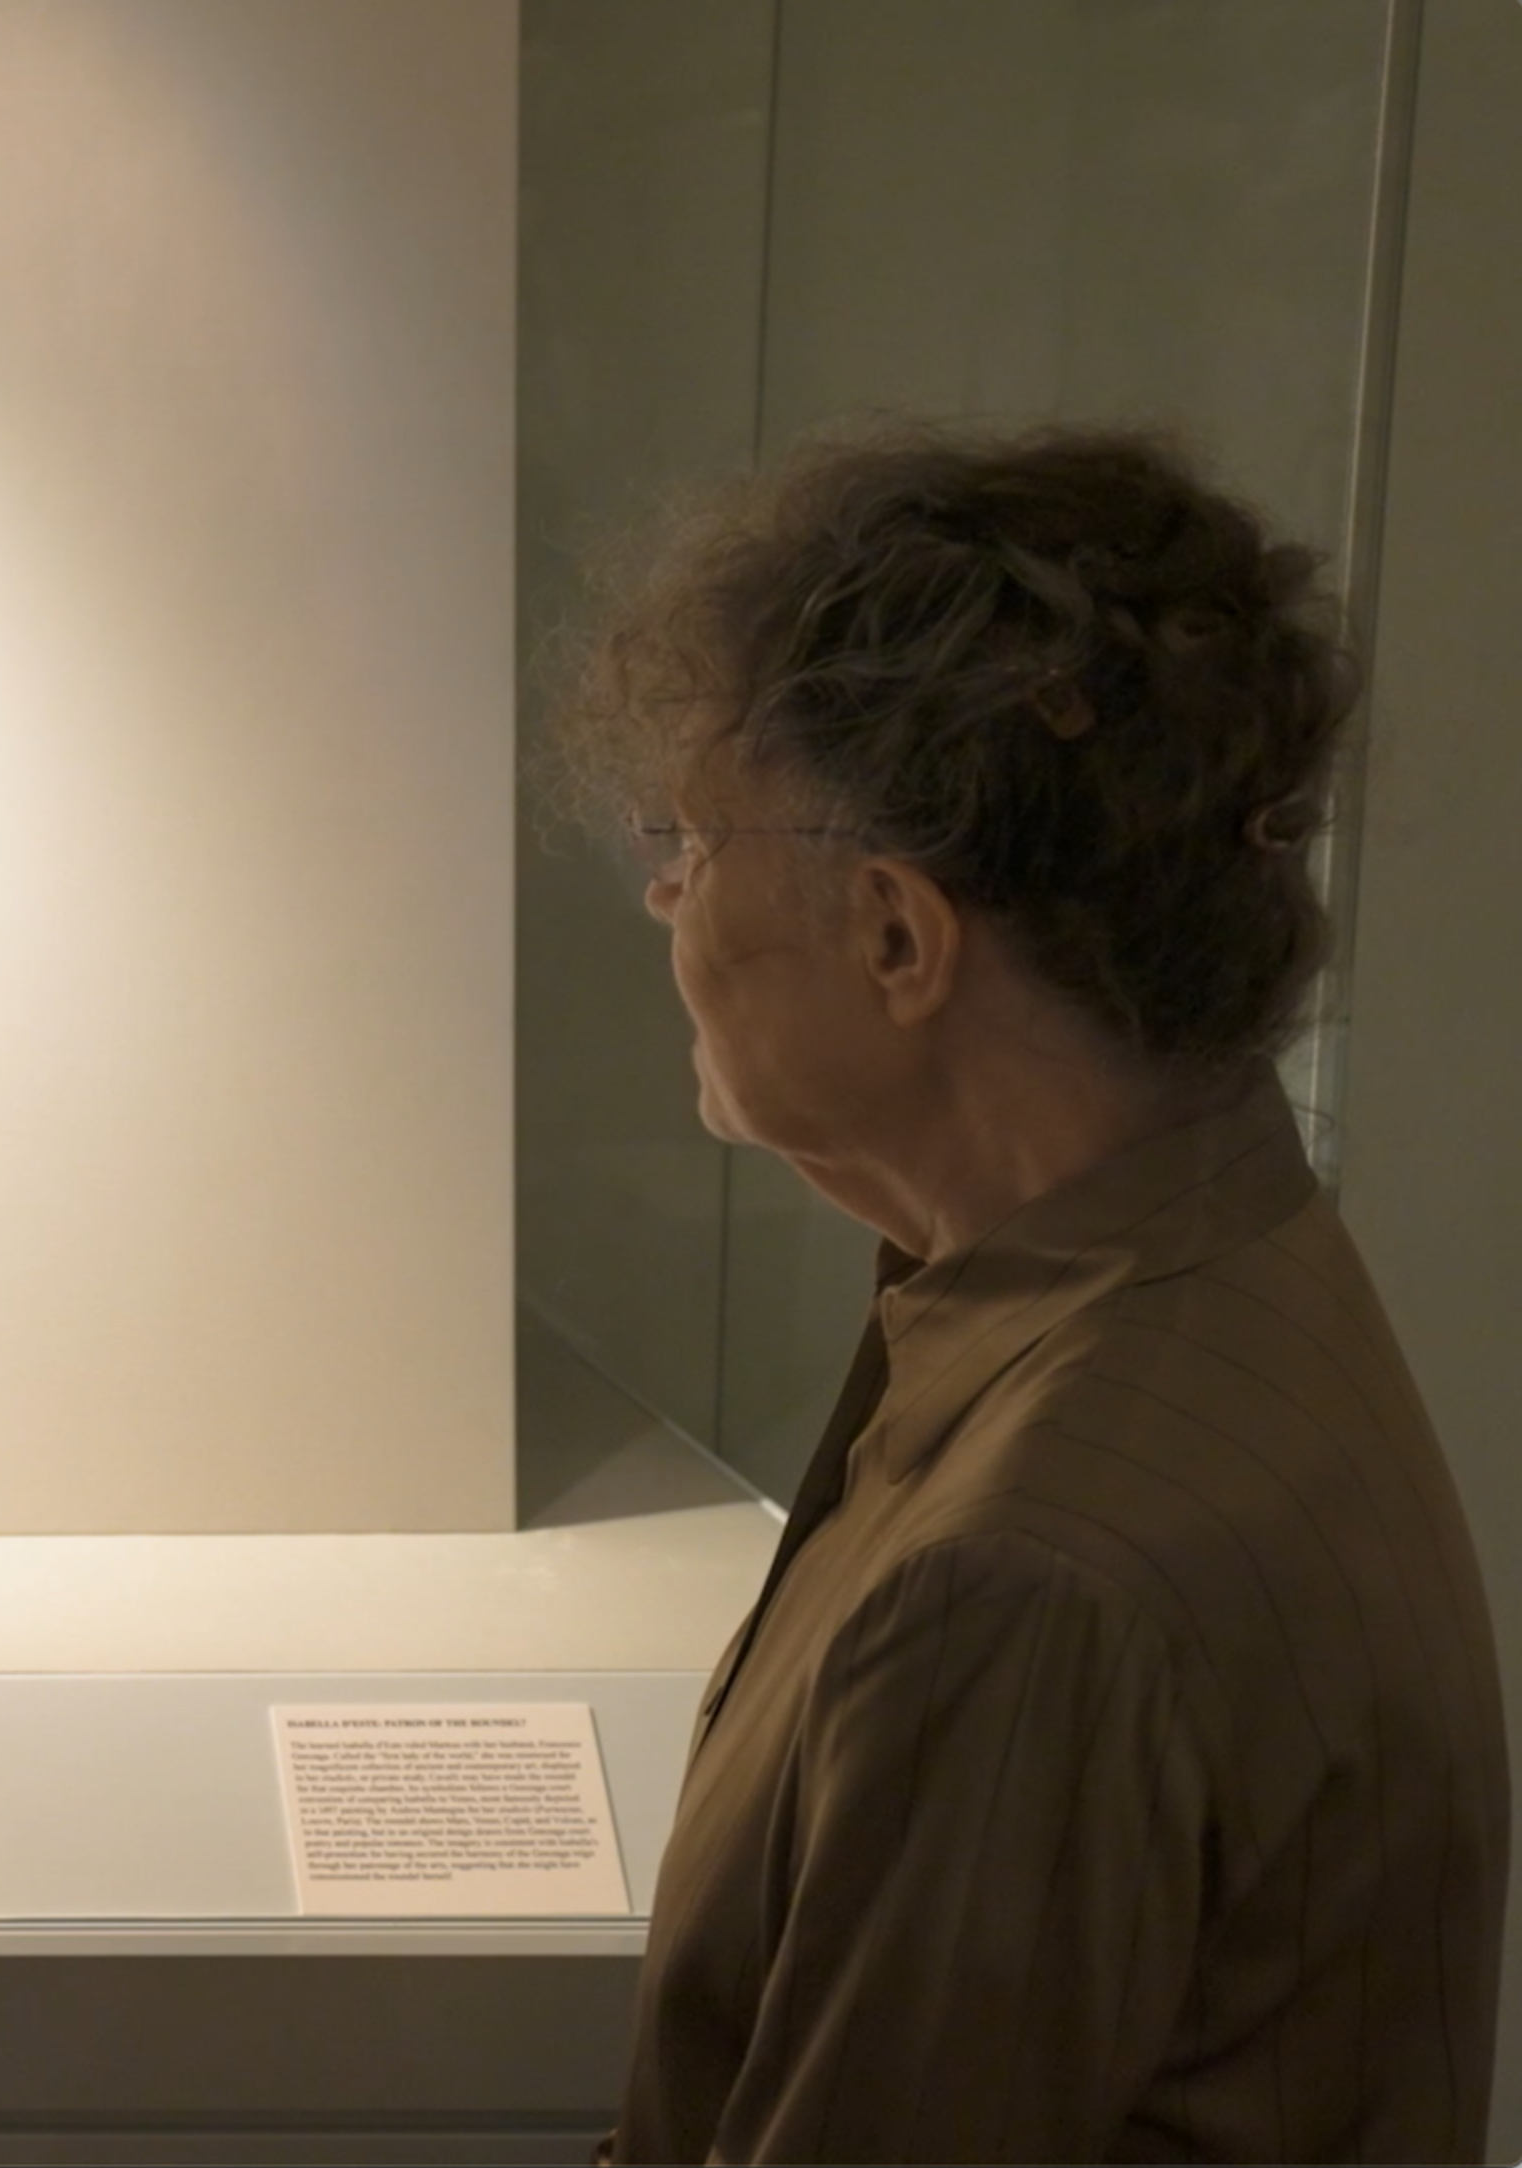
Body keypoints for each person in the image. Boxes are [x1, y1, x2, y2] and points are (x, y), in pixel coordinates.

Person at [563, 425, 1506, 2162]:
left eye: (698, 837)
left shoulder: (1025, 1572)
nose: (666, 895)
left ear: (899, 939)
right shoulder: (1202, 1246)